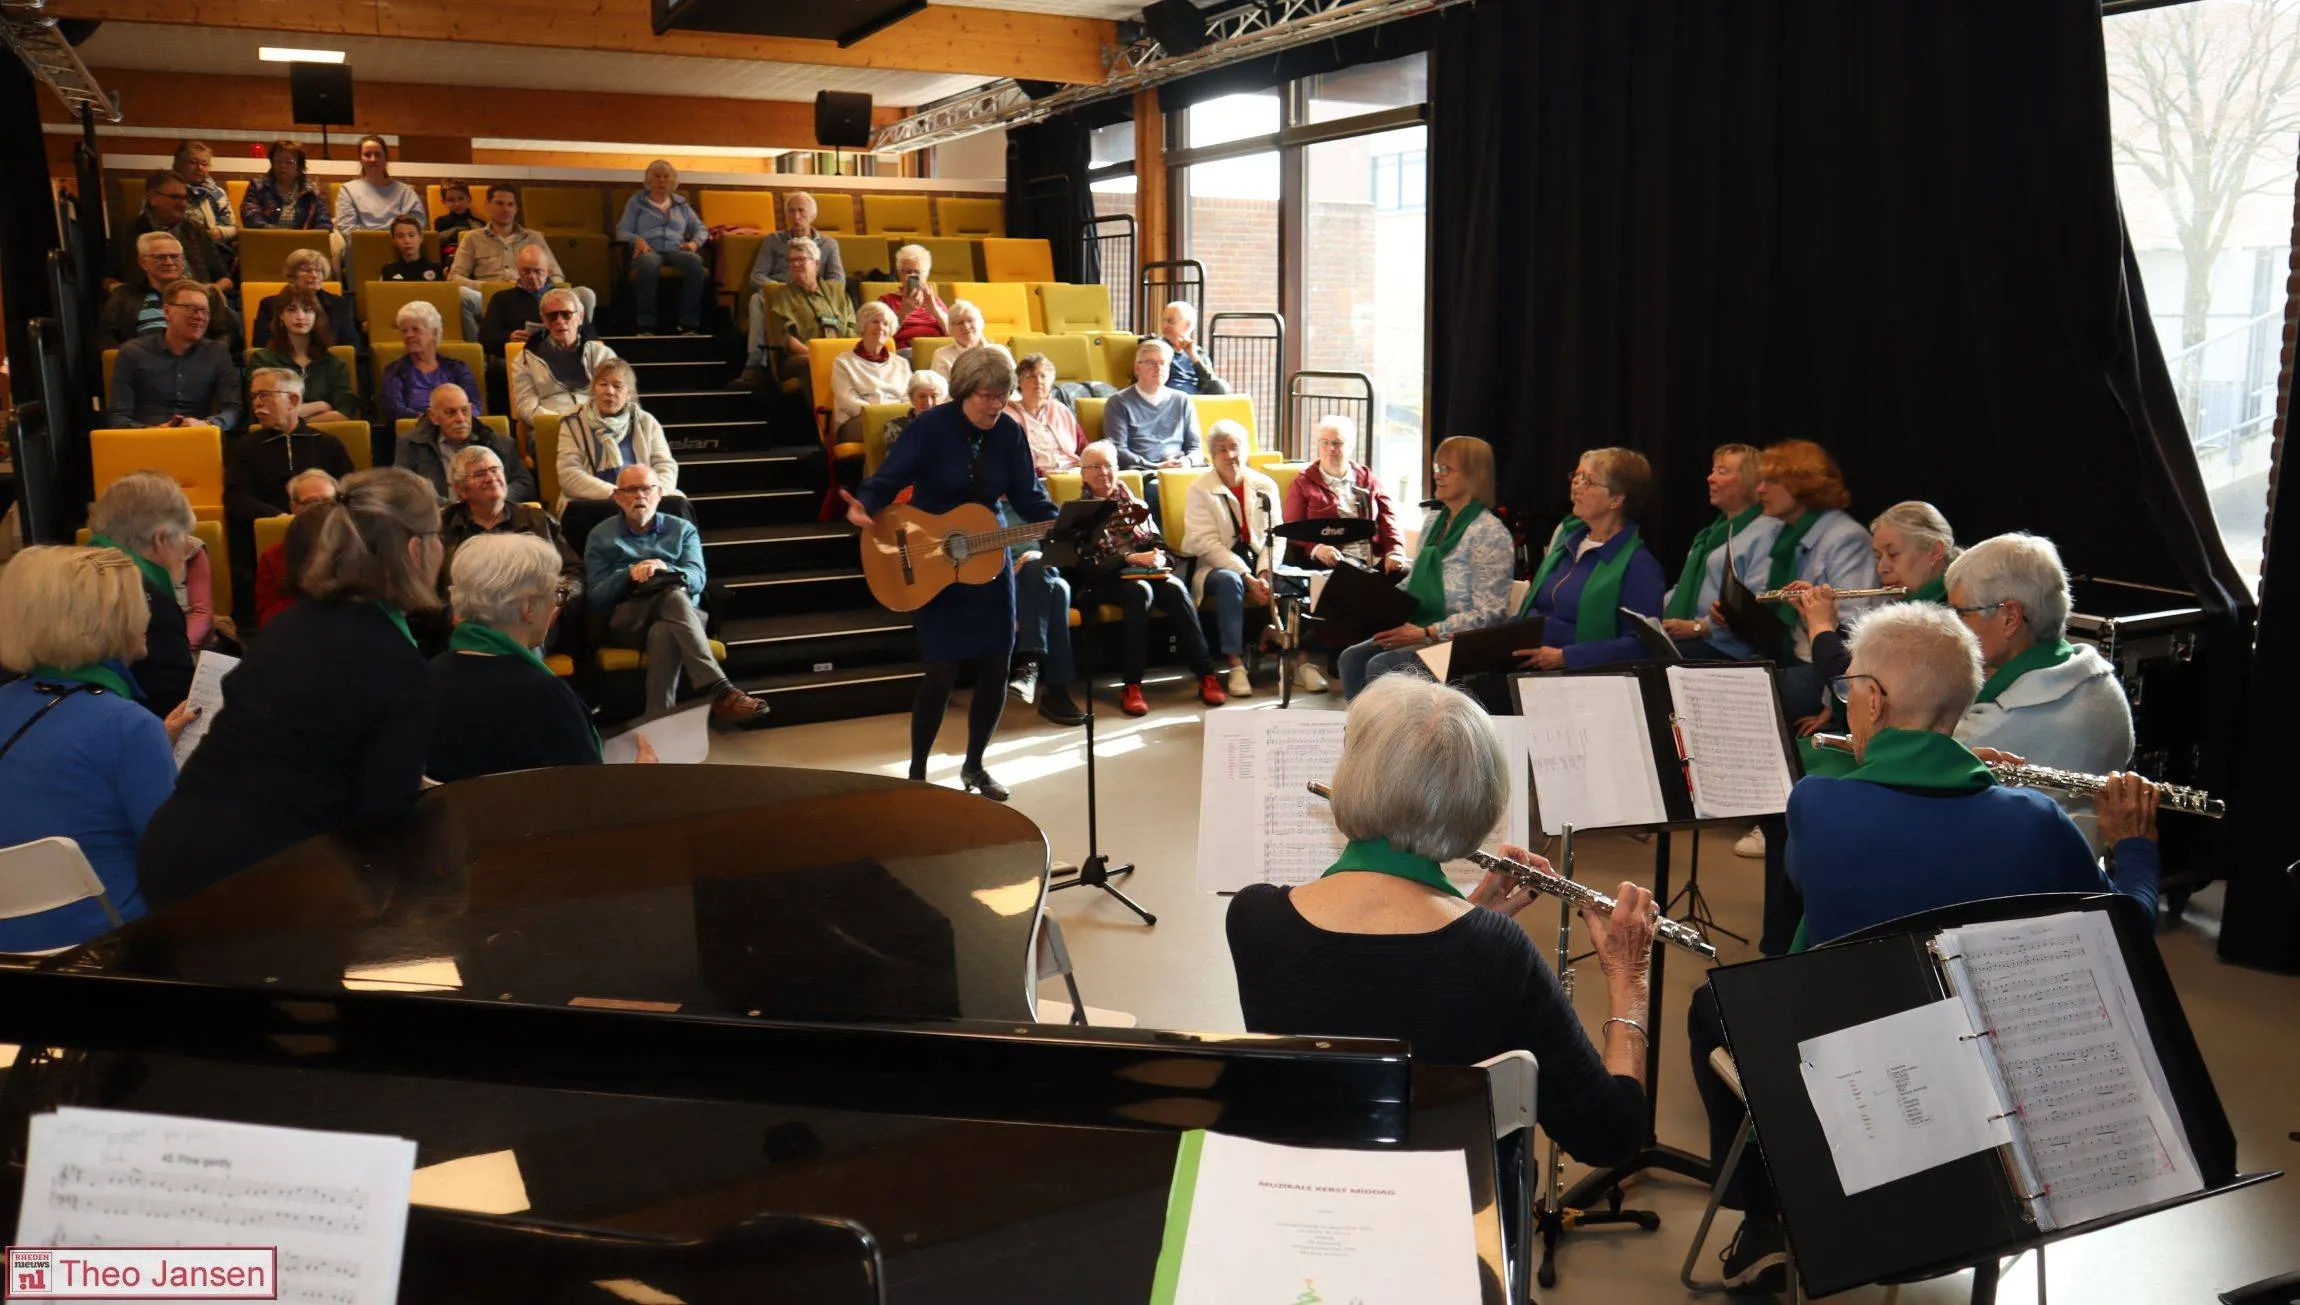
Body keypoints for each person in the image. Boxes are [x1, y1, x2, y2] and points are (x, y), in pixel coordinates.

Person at [1687, 602, 2161, 1290]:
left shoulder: (1817, 803)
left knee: (1711, 1005)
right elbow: (2128, 936)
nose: (1848, 702)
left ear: (1875, 700)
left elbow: (1810, 876)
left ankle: (1765, 1214)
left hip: (1851, 1072)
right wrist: (2137, 847)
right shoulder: (2035, 820)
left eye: (1851, 688)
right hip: (1991, 1084)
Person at [1228, 674, 1654, 1165]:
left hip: (1302, 1182)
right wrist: (1630, 978)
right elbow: (1608, 1136)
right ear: (1480, 802)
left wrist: (1467, 915)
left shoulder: (1253, 916)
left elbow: (1368, 983)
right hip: (1449, 1203)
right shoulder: (1496, 951)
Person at [139, 468, 444, 906]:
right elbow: (381, 822)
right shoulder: (396, 663)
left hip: (176, 854)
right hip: (266, 882)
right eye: (437, 536)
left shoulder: (289, 626)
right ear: (416, 551)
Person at [843, 349, 1056, 798]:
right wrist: (868, 501)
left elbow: (1028, 496)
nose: (995, 405)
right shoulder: (930, 427)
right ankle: (918, 773)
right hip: (930, 552)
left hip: (987, 554)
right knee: (941, 671)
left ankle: (975, 768)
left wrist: (1061, 520)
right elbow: (889, 475)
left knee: (997, 664)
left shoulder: (1010, 433)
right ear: (963, 391)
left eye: (1002, 396)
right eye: (986, 396)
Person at [0, 547, 194, 952]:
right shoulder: (127, 726)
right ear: (104, 621)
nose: (148, 614)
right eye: (138, 602)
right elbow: (177, 860)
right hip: (106, 947)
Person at [1946, 533, 2136, 845]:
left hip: (2013, 881)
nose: (1952, 627)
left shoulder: (2004, 722)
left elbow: (1900, 778)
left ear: (2010, 617)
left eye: (1961, 613)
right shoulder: (2103, 685)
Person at [428, 535, 636, 781]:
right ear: (528, 607)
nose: (556, 604)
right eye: (557, 593)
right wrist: (635, 775)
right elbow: (592, 796)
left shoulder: (427, 675)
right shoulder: (545, 696)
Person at [583, 464, 769, 727]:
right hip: (628, 620)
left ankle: (658, 728)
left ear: (659, 494)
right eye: (631, 489)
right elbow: (596, 596)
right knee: (672, 597)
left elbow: (697, 579)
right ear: (617, 496)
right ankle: (718, 688)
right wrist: (628, 573)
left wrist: (665, 569)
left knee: (665, 626)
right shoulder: (601, 535)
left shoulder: (682, 530)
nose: (640, 496)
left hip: (682, 618)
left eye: (646, 488)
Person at [1337, 436, 1514, 699]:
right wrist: (1378, 604)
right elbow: (1414, 582)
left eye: (1446, 469)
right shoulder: (1434, 522)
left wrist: (1428, 633)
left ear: (1473, 476)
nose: (1438, 476)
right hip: (1421, 629)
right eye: (1436, 468)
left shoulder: (1489, 533)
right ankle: (1362, 736)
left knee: (1382, 666)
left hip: (1459, 643)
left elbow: (1490, 615)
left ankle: (1396, 739)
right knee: (1350, 658)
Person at [1716, 438, 1878, 719]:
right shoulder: (1787, 536)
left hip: (1824, 673)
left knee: (1730, 702)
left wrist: (1832, 702)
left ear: (1803, 485)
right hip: (1792, 659)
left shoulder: (1845, 538)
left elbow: (1854, 632)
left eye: (1771, 481)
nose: (1760, 489)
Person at [1067, 439, 1227, 717]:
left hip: (1144, 572)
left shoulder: (1136, 503)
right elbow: (1085, 566)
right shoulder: (1077, 512)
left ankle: (1206, 675)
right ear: (1082, 473)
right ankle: (1131, 685)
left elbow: (1159, 544)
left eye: (1108, 465)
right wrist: (1128, 559)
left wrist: (1160, 558)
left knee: (1176, 587)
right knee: (1139, 591)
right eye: (1094, 467)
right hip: (1102, 581)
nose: (1103, 473)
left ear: (1118, 469)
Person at [1506, 447, 1667, 672]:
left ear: (1616, 500)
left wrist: (1566, 657)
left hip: (1578, 676)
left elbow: (1643, 645)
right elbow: (1536, 613)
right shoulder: (1567, 546)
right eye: (1578, 477)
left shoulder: (1638, 566)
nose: (1577, 486)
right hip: (1528, 662)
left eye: (1589, 482)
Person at [1281, 414, 1403, 693]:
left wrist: (1395, 550)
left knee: (1404, 576)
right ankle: (1350, 654)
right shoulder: (1305, 483)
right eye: (1324, 442)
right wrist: (1317, 548)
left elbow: (1388, 517)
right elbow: (1292, 530)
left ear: (1351, 446)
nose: (1330, 449)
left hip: (1368, 556)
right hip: (1328, 558)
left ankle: (1386, 654)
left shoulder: (1366, 478)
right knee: (1357, 580)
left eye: (1337, 443)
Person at [226, 367, 357, 609]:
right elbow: (236, 497)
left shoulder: (327, 445)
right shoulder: (243, 448)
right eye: (254, 396)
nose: (257, 404)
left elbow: (351, 494)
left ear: (293, 400)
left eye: (265, 395)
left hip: (327, 536)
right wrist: (278, 519)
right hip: (266, 534)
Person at [87, 472, 202, 718]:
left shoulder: (60, 575)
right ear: (161, 539)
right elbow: (174, 705)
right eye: (185, 540)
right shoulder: (150, 603)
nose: (185, 553)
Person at [1181, 421, 1282, 698]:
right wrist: (1246, 576)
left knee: (1293, 577)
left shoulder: (1264, 485)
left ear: (1245, 450)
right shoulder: (1199, 489)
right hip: (1214, 567)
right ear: (1211, 456)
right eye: (1221, 450)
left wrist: (1264, 572)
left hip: (1261, 561)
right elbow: (1205, 543)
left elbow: (1278, 535)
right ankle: (1235, 664)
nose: (1229, 455)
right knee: (1229, 582)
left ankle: (1299, 658)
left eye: (1234, 447)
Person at [1659, 443, 1780, 657]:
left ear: (1749, 482)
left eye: (1722, 471)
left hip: (1729, 648)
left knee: (1645, 659)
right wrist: (1650, 609)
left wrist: (1698, 627)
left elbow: (1756, 603)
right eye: (1713, 470)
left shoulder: (1766, 532)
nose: (1710, 478)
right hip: (1696, 638)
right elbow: (1682, 588)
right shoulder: (1711, 535)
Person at [555, 359, 682, 542]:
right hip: (596, 498)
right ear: (593, 389)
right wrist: (618, 494)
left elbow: (665, 466)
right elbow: (569, 474)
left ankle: (676, 566)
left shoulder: (646, 421)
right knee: (583, 513)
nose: (609, 391)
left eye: (617, 386)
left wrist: (650, 493)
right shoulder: (573, 422)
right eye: (603, 384)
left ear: (629, 394)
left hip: (643, 496)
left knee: (678, 504)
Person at [452, 184, 594, 339]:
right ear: (487, 205)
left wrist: (548, 292)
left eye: (510, 204)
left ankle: (579, 343)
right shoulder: (472, 238)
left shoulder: (534, 237)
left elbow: (556, 274)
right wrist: (486, 287)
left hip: (530, 293)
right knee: (462, 295)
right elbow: (455, 278)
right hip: (485, 297)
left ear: (516, 208)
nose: (505, 209)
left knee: (585, 294)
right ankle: (477, 353)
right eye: (499, 203)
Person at [738, 192, 847, 387]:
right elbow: (757, 276)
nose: (796, 217)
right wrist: (781, 291)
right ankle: (755, 364)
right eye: (791, 211)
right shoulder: (773, 240)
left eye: (801, 211)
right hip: (779, 292)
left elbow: (837, 280)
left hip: (813, 293)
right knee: (757, 299)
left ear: (812, 215)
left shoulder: (829, 245)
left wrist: (814, 288)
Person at [106, 279, 240, 430]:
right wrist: (151, 431)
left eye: (205, 311)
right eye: (192, 309)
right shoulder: (132, 352)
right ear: (167, 311)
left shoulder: (217, 352)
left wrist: (207, 424)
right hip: (146, 440)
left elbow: (232, 409)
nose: (200, 317)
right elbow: (118, 416)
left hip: (197, 436)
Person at [735, 236, 854, 393]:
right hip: (799, 358)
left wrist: (844, 354)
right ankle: (822, 415)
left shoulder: (836, 291)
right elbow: (787, 339)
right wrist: (820, 355)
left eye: (801, 259)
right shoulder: (781, 295)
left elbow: (852, 327)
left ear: (816, 264)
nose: (795, 264)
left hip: (839, 354)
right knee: (811, 363)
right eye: (791, 261)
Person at [397, 383, 533, 505]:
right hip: (437, 520)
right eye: (450, 413)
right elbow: (402, 489)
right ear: (433, 416)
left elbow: (525, 485)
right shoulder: (410, 445)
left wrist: (491, 497)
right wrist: (450, 508)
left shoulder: (499, 442)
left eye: (465, 411)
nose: (460, 419)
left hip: (490, 518)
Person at [98, 232, 241, 346]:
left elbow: (228, 332)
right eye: (160, 257)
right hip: (143, 367)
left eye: (175, 257)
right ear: (143, 262)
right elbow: (105, 338)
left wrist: (211, 353)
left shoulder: (206, 293)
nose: (169, 262)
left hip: (195, 365)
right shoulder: (123, 295)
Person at [616, 161, 708, 336]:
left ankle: (689, 324)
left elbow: (701, 229)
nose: (662, 181)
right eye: (657, 176)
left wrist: (694, 243)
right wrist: (637, 240)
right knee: (649, 263)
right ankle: (646, 325)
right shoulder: (637, 202)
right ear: (648, 180)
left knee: (695, 261)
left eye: (667, 176)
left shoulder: (682, 205)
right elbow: (621, 231)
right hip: (649, 249)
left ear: (673, 181)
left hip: (676, 249)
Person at [112, 169, 232, 294]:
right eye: (176, 197)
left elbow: (225, 280)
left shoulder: (196, 230)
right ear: (153, 198)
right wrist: (129, 297)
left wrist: (209, 292)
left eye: (186, 198)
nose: (183, 204)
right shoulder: (126, 231)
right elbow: (109, 281)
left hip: (197, 302)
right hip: (147, 304)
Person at [511, 288, 619, 427]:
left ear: (580, 317)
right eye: (552, 316)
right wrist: (562, 423)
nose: (559, 321)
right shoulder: (525, 358)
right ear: (544, 320)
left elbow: (615, 395)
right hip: (551, 426)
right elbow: (526, 406)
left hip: (595, 423)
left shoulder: (602, 354)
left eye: (566, 314)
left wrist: (592, 421)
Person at [248, 289, 356, 424]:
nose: (300, 316)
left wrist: (288, 418)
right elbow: (262, 413)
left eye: (307, 310)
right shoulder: (262, 360)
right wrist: (319, 406)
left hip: (323, 437)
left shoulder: (334, 363)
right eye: (292, 310)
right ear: (281, 315)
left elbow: (344, 414)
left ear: (316, 316)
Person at [252, 468, 340, 629]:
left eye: (327, 501)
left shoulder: (355, 548)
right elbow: (268, 619)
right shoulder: (273, 556)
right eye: (311, 502)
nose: (319, 509)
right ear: (294, 508)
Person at [379, 300, 484, 426]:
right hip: (416, 431)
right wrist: (432, 420)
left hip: (458, 428)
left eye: (415, 329)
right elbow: (393, 409)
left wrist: (455, 420)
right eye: (404, 331)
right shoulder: (395, 370)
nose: (409, 335)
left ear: (434, 333)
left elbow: (475, 405)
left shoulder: (457, 368)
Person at [1104, 338, 1202, 471]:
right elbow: (1118, 450)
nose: (1158, 368)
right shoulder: (1118, 402)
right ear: (1137, 368)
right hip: (1144, 472)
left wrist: (1187, 461)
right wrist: (1156, 467)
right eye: (1151, 362)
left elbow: (1196, 447)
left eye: (1163, 363)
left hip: (1180, 470)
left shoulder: (1182, 400)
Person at [481, 245, 598, 354]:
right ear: (518, 270)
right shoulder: (501, 299)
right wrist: (508, 337)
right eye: (526, 271)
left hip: (561, 355)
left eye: (537, 271)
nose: (532, 276)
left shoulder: (565, 298)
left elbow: (591, 337)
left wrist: (569, 334)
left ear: (547, 271)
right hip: (519, 355)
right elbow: (485, 338)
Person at [830, 301, 913, 444]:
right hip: (856, 421)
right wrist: (880, 414)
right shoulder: (843, 362)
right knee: (894, 429)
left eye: (885, 323)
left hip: (897, 418)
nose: (881, 327)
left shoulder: (901, 363)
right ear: (863, 326)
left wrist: (898, 413)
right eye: (875, 321)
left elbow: (909, 396)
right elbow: (847, 401)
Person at [240, 140, 335, 260]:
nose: (282, 165)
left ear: (299, 166)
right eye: (278, 160)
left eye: (289, 161)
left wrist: (302, 241)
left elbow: (324, 224)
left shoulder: (311, 192)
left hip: (302, 250)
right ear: (272, 162)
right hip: (265, 245)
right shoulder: (258, 187)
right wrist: (284, 236)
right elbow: (251, 218)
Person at [250, 246, 360, 348]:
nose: (314, 275)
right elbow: (260, 343)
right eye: (307, 270)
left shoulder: (338, 303)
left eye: (318, 271)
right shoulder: (270, 304)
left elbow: (351, 344)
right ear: (292, 275)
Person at [333, 135, 426, 240]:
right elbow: (347, 230)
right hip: (362, 249)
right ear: (360, 159)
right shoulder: (347, 190)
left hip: (400, 249)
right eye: (367, 155)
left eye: (378, 154)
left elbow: (417, 225)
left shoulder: (405, 191)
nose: (373, 159)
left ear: (386, 158)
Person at [1006, 353, 1085, 475]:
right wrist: (1041, 473)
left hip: (1072, 472)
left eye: (1043, 376)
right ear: (1019, 382)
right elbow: (1009, 459)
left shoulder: (1060, 409)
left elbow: (1083, 447)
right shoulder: (1008, 415)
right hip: (1036, 478)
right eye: (1031, 376)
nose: (1038, 381)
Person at [878, 243, 951, 348]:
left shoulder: (935, 300)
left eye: (917, 272)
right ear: (899, 274)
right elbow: (880, 336)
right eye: (907, 271)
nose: (911, 276)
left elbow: (952, 333)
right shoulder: (887, 300)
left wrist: (934, 310)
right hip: (907, 350)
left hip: (938, 349)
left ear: (926, 275)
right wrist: (903, 313)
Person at [173, 140, 237, 255]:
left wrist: (217, 232)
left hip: (211, 249)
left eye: (204, 164)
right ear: (179, 164)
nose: (199, 168)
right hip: (174, 247)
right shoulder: (165, 190)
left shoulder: (217, 193)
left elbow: (232, 228)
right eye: (193, 162)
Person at [1155, 299, 1227, 395]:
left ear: (1187, 325)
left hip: (1196, 402)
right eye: (1163, 320)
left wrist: (1193, 357)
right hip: (1169, 400)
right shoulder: (1156, 346)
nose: (1164, 325)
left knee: (1220, 384)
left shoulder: (1199, 353)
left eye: (1170, 321)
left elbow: (1212, 385)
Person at [884, 370, 947, 448]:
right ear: (911, 399)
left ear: (942, 399)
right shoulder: (896, 426)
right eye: (922, 396)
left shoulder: (952, 423)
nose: (929, 403)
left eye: (934, 396)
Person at [377, 213, 445, 281]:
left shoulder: (436, 269)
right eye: (400, 236)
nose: (407, 241)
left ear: (421, 238)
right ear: (394, 240)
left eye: (411, 235)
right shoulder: (388, 271)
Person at [929, 301, 987, 377]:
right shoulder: (942, 356)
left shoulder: (999, 351)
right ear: (950, 330)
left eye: (970, 320)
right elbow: (940, 388)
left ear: (981, 323)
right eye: (959, 323)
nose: (966, 327)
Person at [432, 179, 481, 266]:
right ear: (444, 202)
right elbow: (436, 244)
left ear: (469, 199)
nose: (457, 204)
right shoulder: (440, 222)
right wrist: (456, 231)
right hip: (448, 263)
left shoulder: (478, 223)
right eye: (451, 200)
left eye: (461, 198)